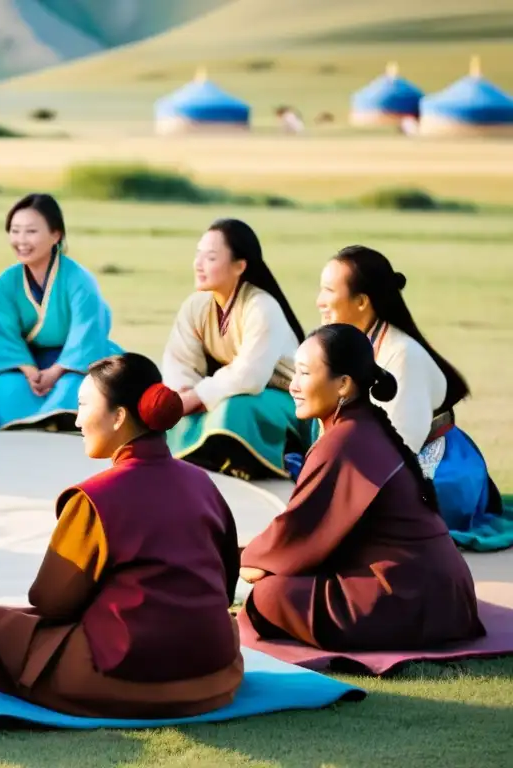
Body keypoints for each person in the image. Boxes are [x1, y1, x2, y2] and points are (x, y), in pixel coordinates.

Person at [0, 352, 243, 719]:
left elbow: (51, 601)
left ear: (119, 417)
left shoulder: (97, 497)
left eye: (83, 405)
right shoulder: (201, 482)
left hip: (126, 674)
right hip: (213, 674)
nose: (78, 419)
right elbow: (225, 587)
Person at [240, 324, 484, 651]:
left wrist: (253, 560)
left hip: (411, 598)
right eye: (294, 373)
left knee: (268, 595)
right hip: (442, 594)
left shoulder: (345, 440)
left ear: (343, 385)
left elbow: (301, 530)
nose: (294, 386)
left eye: (305, 374)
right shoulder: (362, 424)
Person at [317, 246, 512, 549]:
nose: (319, 301)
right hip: (377, 453)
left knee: (390, 512)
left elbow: (403, 442)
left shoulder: (403, 354)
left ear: (361, 302)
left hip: (432, 459)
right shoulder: (347, 344)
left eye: (328, 290)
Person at [161, 218, 306, 480]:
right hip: (223, 391)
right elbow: (179, 361)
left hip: (281, 397)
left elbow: (249, 376)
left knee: (233, 410)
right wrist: (181, 393)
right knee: (171, 407)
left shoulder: (262, 307)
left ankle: (279, 455)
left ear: (240, 266)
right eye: (199, 255)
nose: (199, 264)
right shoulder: (196, 306)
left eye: (211, 257)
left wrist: (193, 399)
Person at [0, 194, 121, 431]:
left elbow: (87, 333)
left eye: (31, 231)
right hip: (27, 362)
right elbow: (4, 334)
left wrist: (55, 371)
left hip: (76, 364)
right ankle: (35, 417)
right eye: (15, 231)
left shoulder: (79, 279)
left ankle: (63, 416)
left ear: (56, 235)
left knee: (80, 386)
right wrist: (29, 370)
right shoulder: (6, 282)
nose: (21, 240)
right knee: (1, 388)